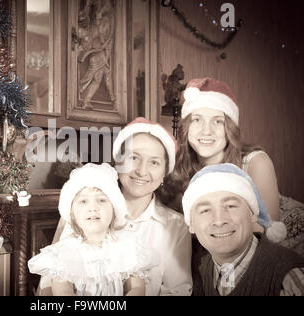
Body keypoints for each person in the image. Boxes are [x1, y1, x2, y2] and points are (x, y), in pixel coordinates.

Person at [47, 118, 192, 296]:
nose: (141, 171)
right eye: (133, 158)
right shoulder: (84, 212)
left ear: (164, 173)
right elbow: (48, 286)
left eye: (154, 162)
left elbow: (178, 291)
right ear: (118, 163)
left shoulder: (176, 227)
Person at [171, 77, 287, 243]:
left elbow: (268, 233)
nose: (207, 131)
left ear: (230, 128)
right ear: (186, 127)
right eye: (197, 120)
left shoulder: (256, 163)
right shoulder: (177, 167)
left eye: (218, 121)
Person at [28, 163, 158, 296]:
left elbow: (137, 289)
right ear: (72, 214)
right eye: (83, 202)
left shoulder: (128, 245)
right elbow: (63, 292)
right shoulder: (63, 253)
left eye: (101, 200)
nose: (93, 208)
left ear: (114, 210)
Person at [183, 163, 304, 296]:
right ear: (191, 225)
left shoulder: (288, 279)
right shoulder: (198, 270)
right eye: (205, 210)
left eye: (231, 206)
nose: (219, 220)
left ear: (252, 214)